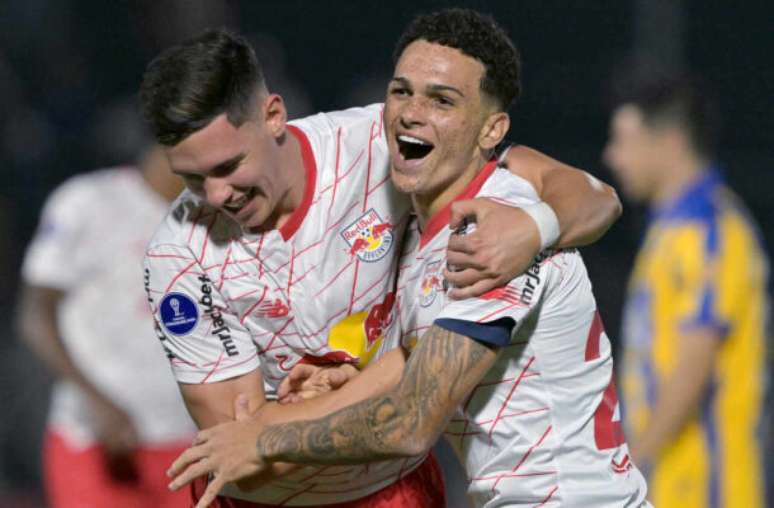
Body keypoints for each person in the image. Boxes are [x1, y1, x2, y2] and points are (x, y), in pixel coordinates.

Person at [165, 9, 649, 508]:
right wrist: (347, 378)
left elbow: (411, 423)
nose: (412, 112)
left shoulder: (490, 233)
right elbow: (419, 359)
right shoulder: (424, 236)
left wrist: (264, 439)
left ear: (491, 129)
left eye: (442, 100)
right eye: (401, 91)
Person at [602, 73, 769, 507]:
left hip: (710, 488)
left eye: (623, 140)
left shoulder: (712, 231)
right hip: (673, 483)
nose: (612, 156)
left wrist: (629, 465)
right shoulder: (672, 232)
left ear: (670, 141)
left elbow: (694, 367)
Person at [17, 145, 196, 508]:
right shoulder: (90, 203)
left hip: (191, 443)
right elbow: (36, 314)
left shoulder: (219, 219)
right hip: (100, 444)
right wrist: (95, 399)